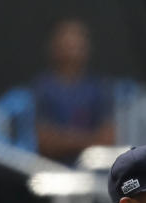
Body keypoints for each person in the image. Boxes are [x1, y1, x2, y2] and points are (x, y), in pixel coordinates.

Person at [33, 18, 114, 165]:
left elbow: (107, 140)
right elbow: (43, 142)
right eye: (66, 40)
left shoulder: (98, 89)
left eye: (77, 40)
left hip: (92, 174)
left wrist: (64, 139)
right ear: (54, 46)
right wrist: (88, 140)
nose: (72, 46)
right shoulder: (43, 88)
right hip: (51, 172)